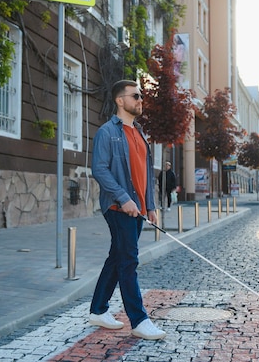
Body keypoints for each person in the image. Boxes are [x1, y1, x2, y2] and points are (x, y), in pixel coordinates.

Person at [88, 79, 166, 340]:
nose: (140, 100)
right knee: (129, 260)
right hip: (118, 207)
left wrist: (151, 205)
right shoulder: (107, 132)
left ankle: (98, 310)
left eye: (140, 96)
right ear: (120, 100)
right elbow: (99, 169)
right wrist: (123, 198)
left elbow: (143, 173)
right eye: (135, 96)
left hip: (138, 208)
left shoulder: (140, 133)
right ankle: (139, 319)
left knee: (118, 257)